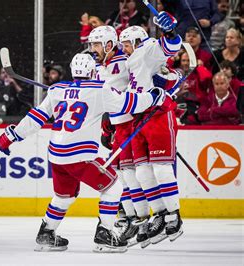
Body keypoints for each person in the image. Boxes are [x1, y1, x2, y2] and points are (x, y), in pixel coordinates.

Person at [0, 53, 169, 253]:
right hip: (79, 157)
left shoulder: (57, 90)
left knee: (63, 196)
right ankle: (104, 234)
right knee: (113, 188)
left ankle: (46, 233)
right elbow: (128, 104)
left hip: (56, 156)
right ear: (93, 71)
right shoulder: (100, 90)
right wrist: (154, 96)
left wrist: (12, 136)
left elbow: (36, 117)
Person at [119, 10, 184, 244]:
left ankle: (174, 218)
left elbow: (171, 47)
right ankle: (160, 214)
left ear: (137, 41)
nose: (123, 48)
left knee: (161, 169)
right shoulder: (130, 61)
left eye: (126, 44)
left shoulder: (146, 50)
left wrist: (169, 31)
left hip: (157, 114)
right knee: (143, 172)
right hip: (138, 118)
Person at [88, 25, 147, 247]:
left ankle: (136, 218)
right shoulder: (99, 65)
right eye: (91, 44)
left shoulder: (124, 61)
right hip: (117, 125)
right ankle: (131, 216)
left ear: (109, 45)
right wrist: (107, 124)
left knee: (126, 173)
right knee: (119, 173)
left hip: (130, 124)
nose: (92, 49)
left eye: (96, 44)